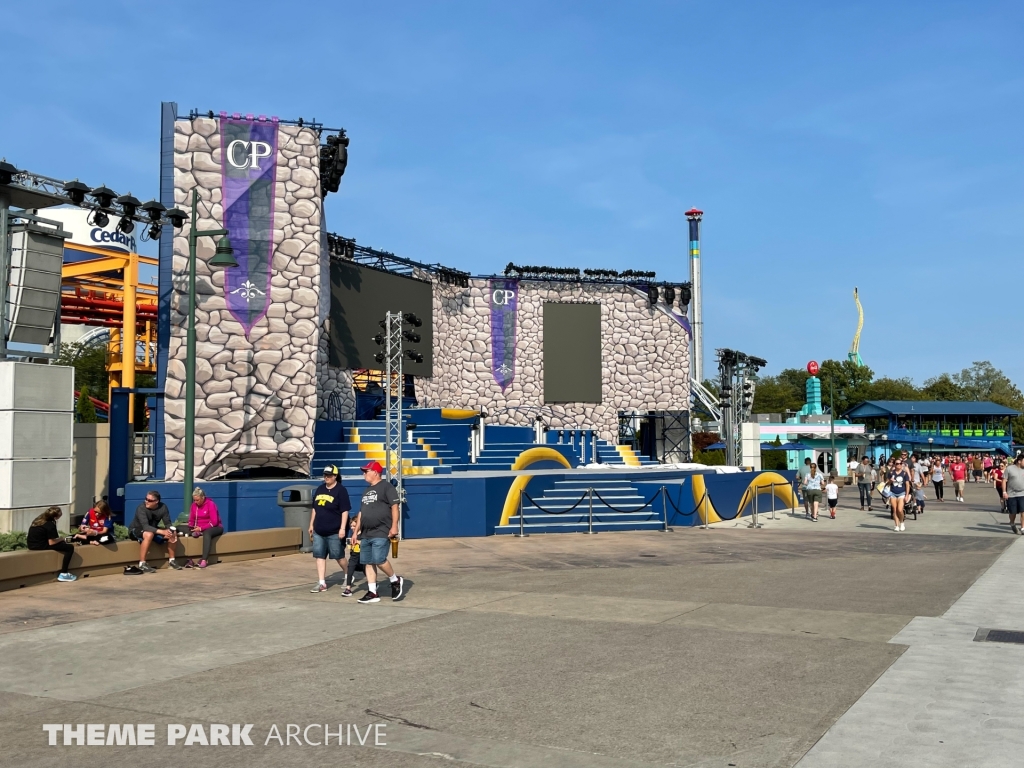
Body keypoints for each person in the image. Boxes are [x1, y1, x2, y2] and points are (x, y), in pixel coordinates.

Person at [352, 461, 404, 602]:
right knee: (368, 562)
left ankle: (395, 580)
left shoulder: (386, 487)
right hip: (366, 532)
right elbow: (362, 512)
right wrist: (356, 531)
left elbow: (395, 507)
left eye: (366, 471)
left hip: (381, 530)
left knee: (379, 560)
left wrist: (394, 526)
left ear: (375, 472)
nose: (364, 474)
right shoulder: (366, 491)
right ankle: (372, 592)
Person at [309, 464, 350, 593]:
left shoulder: (341, 490)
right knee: (319, 555)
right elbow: (315, 508)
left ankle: (348, 575)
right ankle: (322, 583)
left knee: (338, 556)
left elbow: (345, 511)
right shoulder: (320, 489)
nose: (326, 477)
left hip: (334, 530)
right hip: (319, 530)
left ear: (335, 476)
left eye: (329, 475)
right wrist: (311, 524)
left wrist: (342, 528)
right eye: (325, 475)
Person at [128, 490, 180, 572]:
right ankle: (142, 564)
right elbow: (145, 526)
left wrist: (170, 531)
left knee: (172, 532)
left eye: (149, 500)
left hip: (152, 530)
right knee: (149, 534)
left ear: (156, 501)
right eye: (146, 499)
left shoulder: (163, 507)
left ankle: (172, 561)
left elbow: (167, 523)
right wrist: (162, 532)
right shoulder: (141, 508)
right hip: (136, 530)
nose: (146, 501)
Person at [27, 507, 77, 582]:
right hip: (41, 546)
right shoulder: (50, 524)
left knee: (62, 544)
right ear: (55, 517)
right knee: (69, 548)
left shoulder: (38, 520)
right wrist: (62, 539)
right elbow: (52, 542)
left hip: (31, 545)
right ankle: (64, 573)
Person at [186, 487, 223, 569]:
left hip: (215, 527)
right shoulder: (193, 506)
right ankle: (189, 559)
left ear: (203, 498)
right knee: (182, 529)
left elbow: (214, 522)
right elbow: (191, 519)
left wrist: (201, 528)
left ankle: (204, 559)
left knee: (207, 533)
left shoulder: (211, 504)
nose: (195, 502)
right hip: (199, 527)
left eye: (197, 500)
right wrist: (191, 526)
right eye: (194, 500)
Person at [886, 458, 912, 532]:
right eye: (897, 463)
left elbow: (907, 485)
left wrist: (907, 495)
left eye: (900, 463)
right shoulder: (891, 473)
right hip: (893, 493)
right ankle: (896, 525)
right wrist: (890, 481)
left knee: (900, 510)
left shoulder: (904, 473)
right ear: (894, 464)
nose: (899, 465)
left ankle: (902, 522)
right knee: (894, 510)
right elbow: (887, 483)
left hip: (902, 493)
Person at [1003, 454, 1024, 535]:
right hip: (1011, 494)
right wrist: (1004, 492)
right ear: (1019, 461)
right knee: (1013, 513)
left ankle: (1023, 528)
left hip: (1022, 493)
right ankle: (1012, 523)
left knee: (1023, 511)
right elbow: (1004, 480)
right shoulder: (1009, 469)